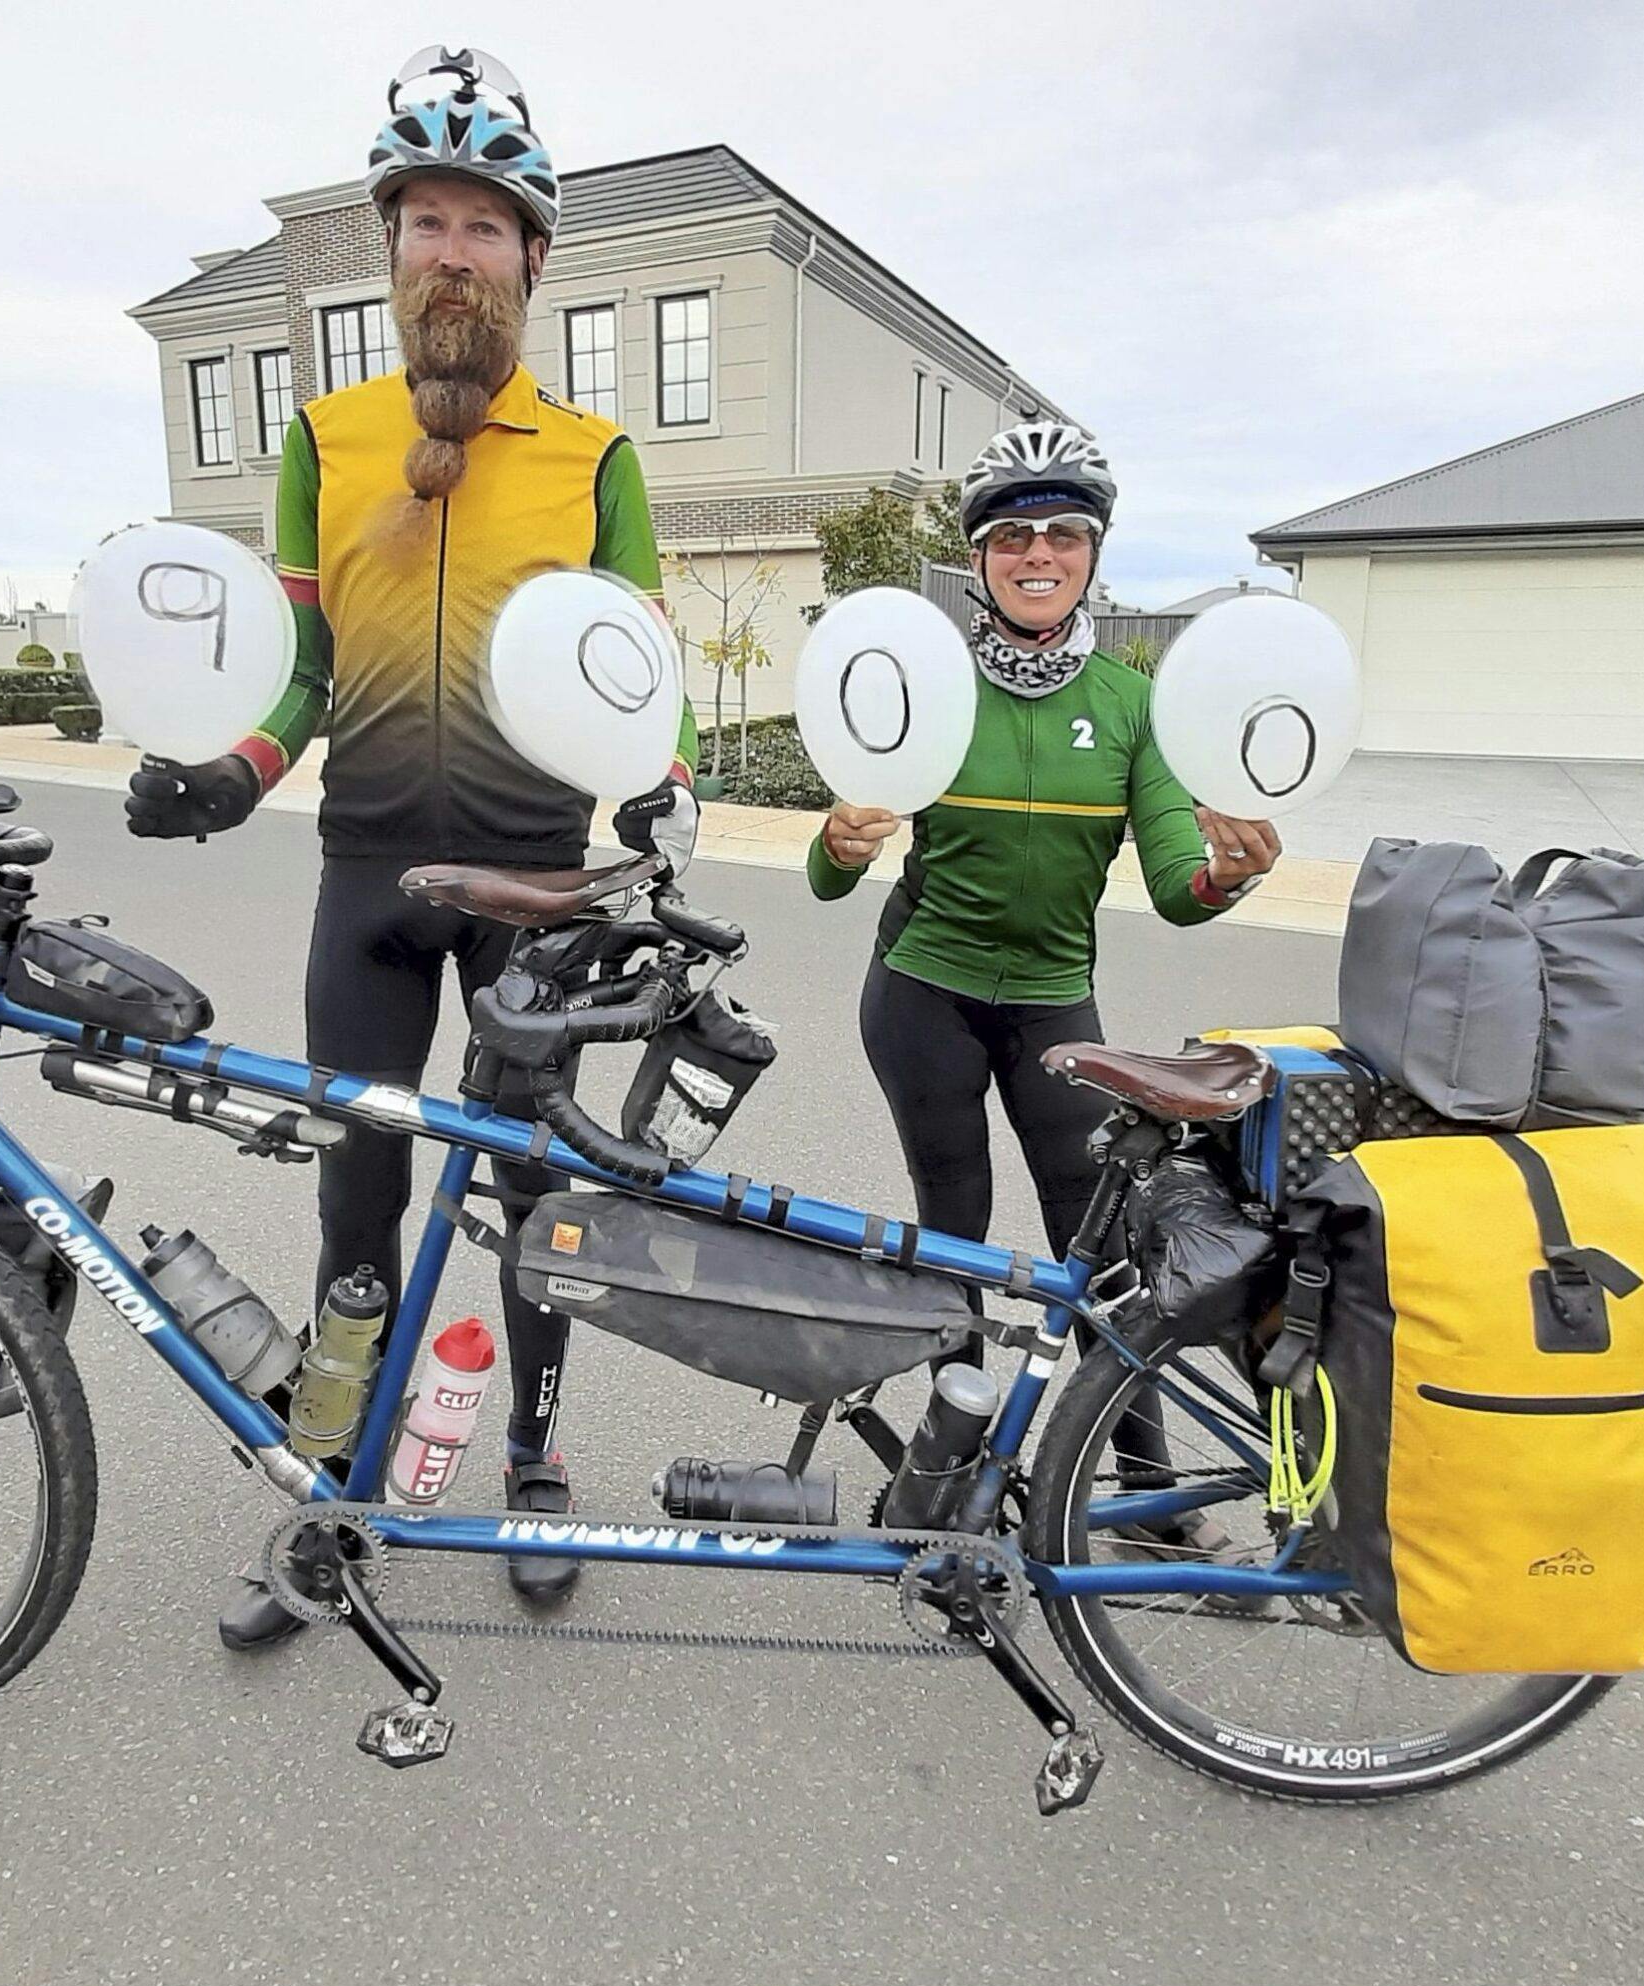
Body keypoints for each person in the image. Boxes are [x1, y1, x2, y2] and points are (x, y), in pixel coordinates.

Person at [125, 48, 701, 1639]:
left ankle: (527, 1455)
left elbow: (646, 682)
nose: (450, 250)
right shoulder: (325, 435)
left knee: (535, 1204)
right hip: (367, 878)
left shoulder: (596, 459)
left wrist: (666, 788)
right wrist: (234, 773)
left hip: (542, 887)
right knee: (355, 1203)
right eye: (424, 222)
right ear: (391, 251)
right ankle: (333, 1477)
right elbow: (302, 675)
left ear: (533, 254)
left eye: (482, 224)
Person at [809, 420, 1280, 1316]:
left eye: (1062, 533)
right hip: (922, 994)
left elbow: (1182, 890)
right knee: (953, 1231)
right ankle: (954, 1457)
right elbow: (825, 880)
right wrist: (837, 846)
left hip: (1053, 995)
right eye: (1012, 535)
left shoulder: (1134, 703)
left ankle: (1143, 1465)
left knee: (1100, 1250)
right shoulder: (930, 681)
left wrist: (1227, 873)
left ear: (1091, 553)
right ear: (981, 557)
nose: (1037, 553)